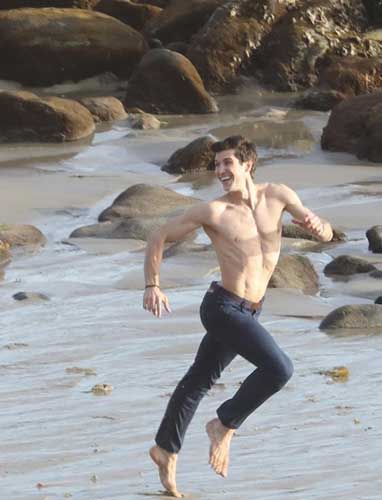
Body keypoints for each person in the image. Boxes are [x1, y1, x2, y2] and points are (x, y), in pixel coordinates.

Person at [142, 135, 333, 497]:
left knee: (197, 381)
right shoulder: (214, 212)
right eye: (216, 165)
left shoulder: (278, 195)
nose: (220, 171)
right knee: (279, 369)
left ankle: (165, 449)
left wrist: (321, 228)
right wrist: (152, 285)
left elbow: (313, 222)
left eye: (227, 163)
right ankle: (224, 424)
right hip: (222, 307)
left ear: (247, 164)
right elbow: (158, 236)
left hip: (250, 311)